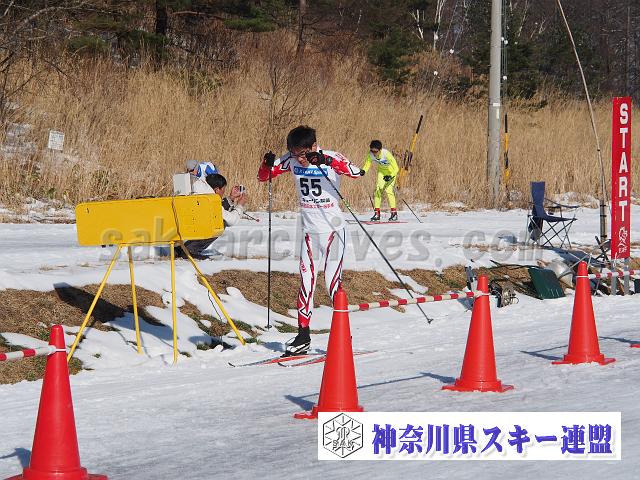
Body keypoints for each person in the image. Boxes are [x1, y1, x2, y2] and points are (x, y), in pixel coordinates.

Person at [257, 125, 364, 356]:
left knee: (332, 284)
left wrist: (326, 161)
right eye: (295, 153)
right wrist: (266, 164)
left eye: (304, 154)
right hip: (309, 233)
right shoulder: (291, 159)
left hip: (334, 231)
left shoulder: (330, 157)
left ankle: (344, 335)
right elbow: (264, 177)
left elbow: (357, 172)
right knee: (306, 283)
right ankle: (303, 335)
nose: (300, 159)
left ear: (314, 146)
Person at [180, 173, 247, 259]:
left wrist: (231, 198)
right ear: (216, 190)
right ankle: (191, 250)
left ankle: (183, 248)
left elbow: (219, 209)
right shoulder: (209, 201)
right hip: (195, 230)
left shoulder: (198, 194)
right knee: (220, 223)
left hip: (183, 230)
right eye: (223, 190)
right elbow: (231, 220)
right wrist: (240, 205)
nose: (223, 193)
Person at [361, 140, 399, 221]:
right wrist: (363, 171)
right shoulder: (370, 154)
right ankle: (377, 214)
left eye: (375, 151)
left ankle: (394, 213)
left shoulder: (386, 154)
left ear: (380, 150)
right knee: (378, 191)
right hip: (381, 172)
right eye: (372, 151)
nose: (374, 153)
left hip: (391, 172)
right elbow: (367, 164)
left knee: (388, 190)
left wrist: (390, 176)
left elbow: (396, 168)